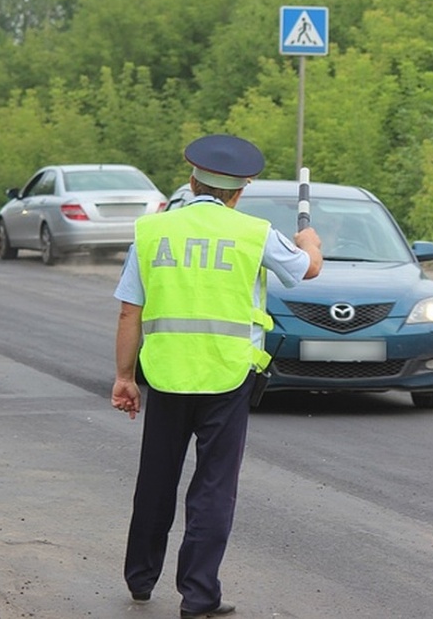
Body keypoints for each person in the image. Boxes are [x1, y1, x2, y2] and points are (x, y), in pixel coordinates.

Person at [110, 134, 322, 618]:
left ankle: (140, 579)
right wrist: (310, 242)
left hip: (164, 374)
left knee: (156, 479)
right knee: (213, 487)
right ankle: (199, 596)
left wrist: (125, 377)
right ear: (240, 191)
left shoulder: (151, 231)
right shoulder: (254, 232)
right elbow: (306, 270)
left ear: (192, 181)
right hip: (227, 377)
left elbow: (129, 313)